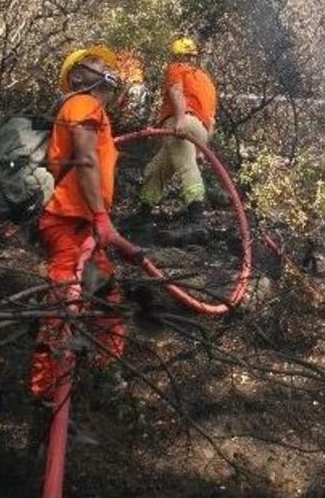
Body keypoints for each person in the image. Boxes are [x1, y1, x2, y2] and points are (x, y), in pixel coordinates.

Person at [29, 46, 127, 401]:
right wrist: (101, 216)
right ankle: (45, 393)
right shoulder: (83, 104)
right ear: (81, 76)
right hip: (70, 221)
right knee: (62, 306)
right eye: (101, 64)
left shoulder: (90, 110)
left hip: (81, 225)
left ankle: (105, 375)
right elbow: (85, 161)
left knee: (107, 301)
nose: (110, 69)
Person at [137, 37, 218, 220]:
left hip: (181, 123)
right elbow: (212, 120)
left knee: (186, 167)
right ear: (194, 56)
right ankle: (144, 211)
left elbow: (176, 91)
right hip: (201, 130)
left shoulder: (176, 68)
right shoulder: (207, 81)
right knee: (157, 169)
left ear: (175, 55)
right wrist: (201, 149)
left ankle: (197, 212)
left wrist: (180, 120)